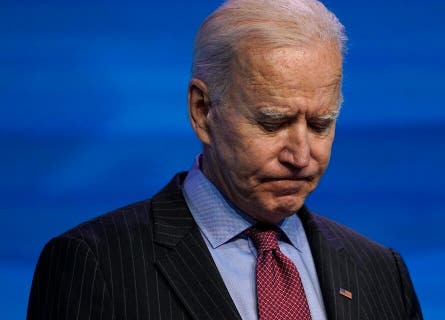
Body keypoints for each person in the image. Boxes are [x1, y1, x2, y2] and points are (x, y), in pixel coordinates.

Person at [27, 0, 423, 319]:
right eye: (272, 123)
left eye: (321, 124)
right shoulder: (95, 264)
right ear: (202, 111)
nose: (301, 156)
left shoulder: (381, 272)